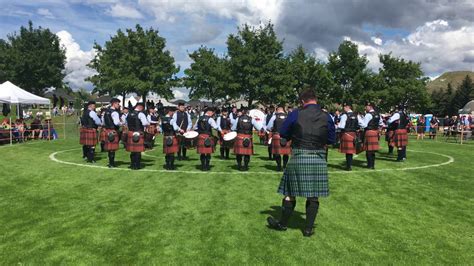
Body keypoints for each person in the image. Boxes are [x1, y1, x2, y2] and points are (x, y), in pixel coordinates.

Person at [267, 89, 335, 237]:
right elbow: (331, 139)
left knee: (289, 193)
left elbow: (284, 133)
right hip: (318, 158)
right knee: (313, 195)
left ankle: (283, 224)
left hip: (299, 156)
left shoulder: (296, 113)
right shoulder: (326, 116)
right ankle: (308, 229)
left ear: (303, 101)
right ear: (315, 99)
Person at [358, 102, 383, 169]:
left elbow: (364, 125)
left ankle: (369, 165)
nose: (365, 108)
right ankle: (372, 165)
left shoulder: (368, 115)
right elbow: (381, 123)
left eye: (366, 106)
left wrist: (359, 119)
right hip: (375, 132)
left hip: (369, 132)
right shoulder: (378, 114)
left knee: (368, 149)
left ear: (370, 107)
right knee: (373, 150)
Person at [266, 106, 291, 171]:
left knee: (277, 152)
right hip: (286, 136)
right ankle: (285, 166)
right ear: (283, 110)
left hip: (277, 135)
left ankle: (279, 166)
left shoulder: (274, 116)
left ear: (277, 110)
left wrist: (272, 129)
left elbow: (268, 127)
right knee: (286, 153)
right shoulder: (288, 116)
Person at [126, 103, 150, 170]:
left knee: (132, 151)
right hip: (138, 133)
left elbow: (126, 122)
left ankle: (132, 164)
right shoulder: (140, 114)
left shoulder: (129, 114)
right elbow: (144, 123)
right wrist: (148, 124)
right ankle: (137, 165)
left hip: (131, 132)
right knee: (138, 151)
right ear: (140, 107)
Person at [337, 102, 359, 171]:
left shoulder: (344, 115)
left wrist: (337, 125)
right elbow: (362, 124)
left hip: (346, 134)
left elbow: (341, 126)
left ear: (348, 107)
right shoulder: (356, 115)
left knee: (348, 152)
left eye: (345, 107)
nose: (344, 108)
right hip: (353, 134)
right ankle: (349, 165)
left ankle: (348, 166)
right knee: (350, 151)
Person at [102, 98, 122, 168]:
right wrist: (121, 123)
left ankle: (110, 162)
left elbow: (103, 122)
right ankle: (112, 163)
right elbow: (116, 123)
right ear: (114, 103)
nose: (119, 105)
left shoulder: (106, 112)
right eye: (118, 104)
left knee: (109, 149)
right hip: (113, 131)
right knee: (112, 149)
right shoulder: (115, 112)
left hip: (107, 131)